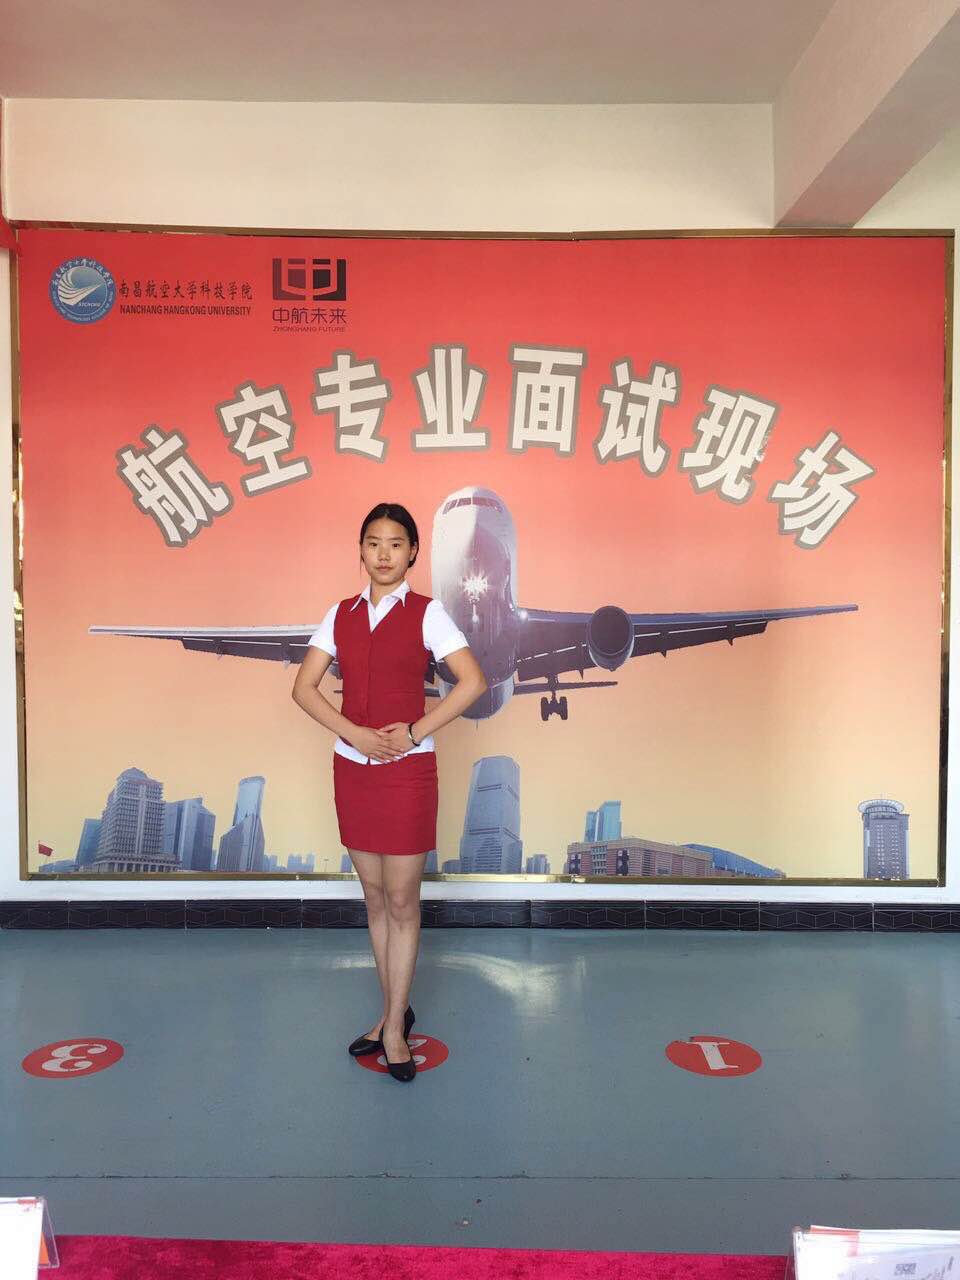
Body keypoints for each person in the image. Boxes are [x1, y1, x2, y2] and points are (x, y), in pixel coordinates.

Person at [292, 502, 488, 1081]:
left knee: (402, 901)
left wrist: (414, 731)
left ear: (413, 554)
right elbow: (303, 688)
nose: (383, 554)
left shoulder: (429, 614)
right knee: (375, 900)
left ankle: (396, 1029)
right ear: (361, 551)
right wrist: (354, 734)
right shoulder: (340, 615)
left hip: (407, 772)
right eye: (374, 543)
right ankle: (389, 1014)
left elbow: (473, 681)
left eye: (396, 544)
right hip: (353, 771)